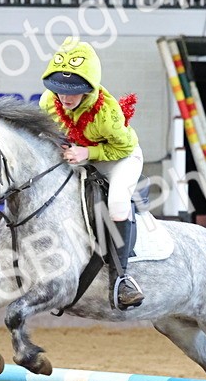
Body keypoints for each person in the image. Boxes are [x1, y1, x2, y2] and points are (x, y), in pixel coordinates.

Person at [39, 37, 144, 309]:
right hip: (80, 154)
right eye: (60, 90)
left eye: (73, 91)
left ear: (88, 88)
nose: (65, 97)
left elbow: (124, 147)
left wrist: (88, 153)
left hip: (120, 158)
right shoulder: (49, 102)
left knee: (118, 204)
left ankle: (123, 278)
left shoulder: (107, 115)